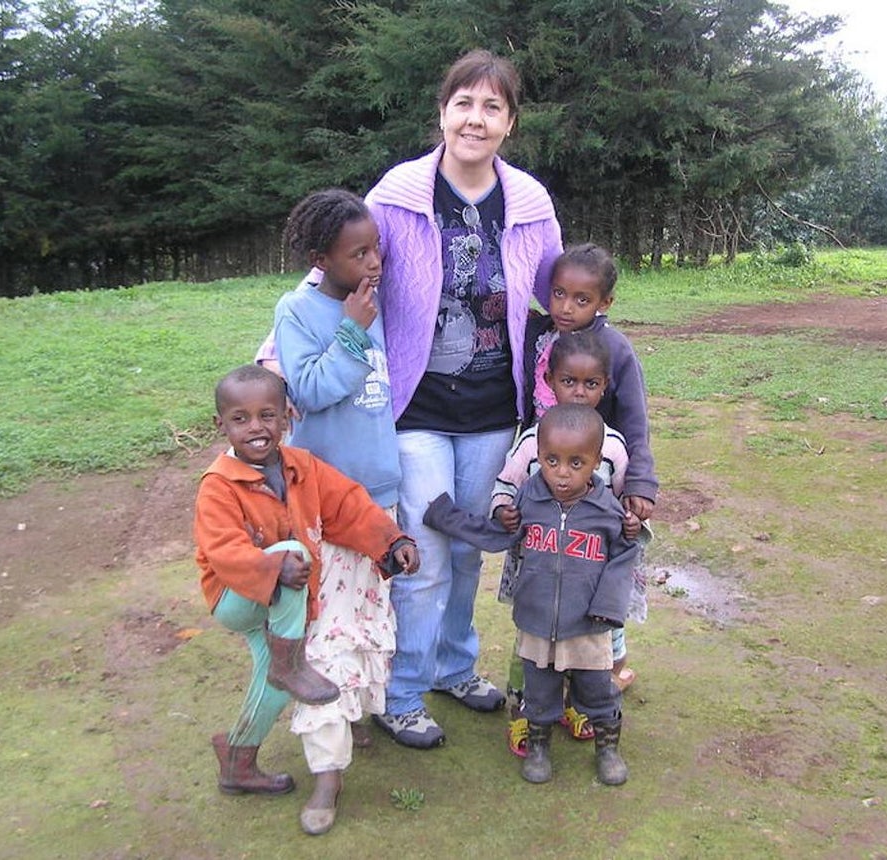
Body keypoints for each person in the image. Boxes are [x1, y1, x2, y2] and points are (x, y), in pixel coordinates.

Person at [363, 48, 564, 749]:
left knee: (472, 549)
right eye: (463, 103)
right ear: (443, 112)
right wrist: (276, 357)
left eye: (492, 106)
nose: (475, 119)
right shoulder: (394, 195)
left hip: (490, 412)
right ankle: (403, 691)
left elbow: (556, 297)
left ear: (510, 122)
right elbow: (337, 276)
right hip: (415, 408)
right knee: (423, 554)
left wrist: (600, 366)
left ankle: (455, 667)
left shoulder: (531, 202)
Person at [193, 365, 419, 826]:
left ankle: (238, 760)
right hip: (237, 598)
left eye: (267, 415)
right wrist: (272, 564)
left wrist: (391, 540)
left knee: (272, 684)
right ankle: (292, 662)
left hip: (282, 605)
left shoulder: (301, 466)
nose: (256, 427)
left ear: (287, 416)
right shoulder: (218, 485)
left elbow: (348, 504)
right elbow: (224, 552)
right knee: (294, 553)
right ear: (222, 426)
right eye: (241, 418)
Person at [270, 188, 402, 835]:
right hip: (323, 508)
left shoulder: (377, 302)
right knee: (324, 635)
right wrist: (352, 328)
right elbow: (312, 393)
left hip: (378, 495)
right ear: (322, 257)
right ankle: (326, 774)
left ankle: (353, 721)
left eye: (375, 247)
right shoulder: (298, 311)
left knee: (370, 622)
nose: (374, 261)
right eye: (358, 252)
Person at [423, 404, 638, 785]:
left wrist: (608, 607)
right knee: (538, 694)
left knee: (597, 693)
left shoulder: (608, 511)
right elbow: (495, 535)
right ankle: (538, 748)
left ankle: (608, 749)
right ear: (538, 456)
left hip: (589, 626)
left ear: (596, 461)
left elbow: (624, 557)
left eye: (576, 463)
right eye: (551, 460)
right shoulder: (528, 501)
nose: (562, 472)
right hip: (537, 623)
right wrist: (443, 516)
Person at [489, 329, 641, 758]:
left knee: (591, 642)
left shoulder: (612, 445)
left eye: (590, 384)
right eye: (567, 382)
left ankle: (579, 705)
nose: (578, 392)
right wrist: (504, 510)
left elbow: (627, 493)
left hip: (589, 567)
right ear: (549, 380)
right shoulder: (532, 440)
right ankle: (529, 709)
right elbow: (506, 483)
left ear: (604, 386)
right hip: (538, 562)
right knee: (533, 638)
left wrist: (630, 515)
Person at [523, 242, 659, 690]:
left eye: (582, 300)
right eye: (558, 293)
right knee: (549, 578)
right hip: (546, 489)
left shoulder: (615, 350)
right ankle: (541, 673)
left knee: (601, 583)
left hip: (599, 491)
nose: (565, 307)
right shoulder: (539, 339)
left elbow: (635, 422)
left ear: (604, 303)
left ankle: (610, 671)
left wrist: (639, 481)